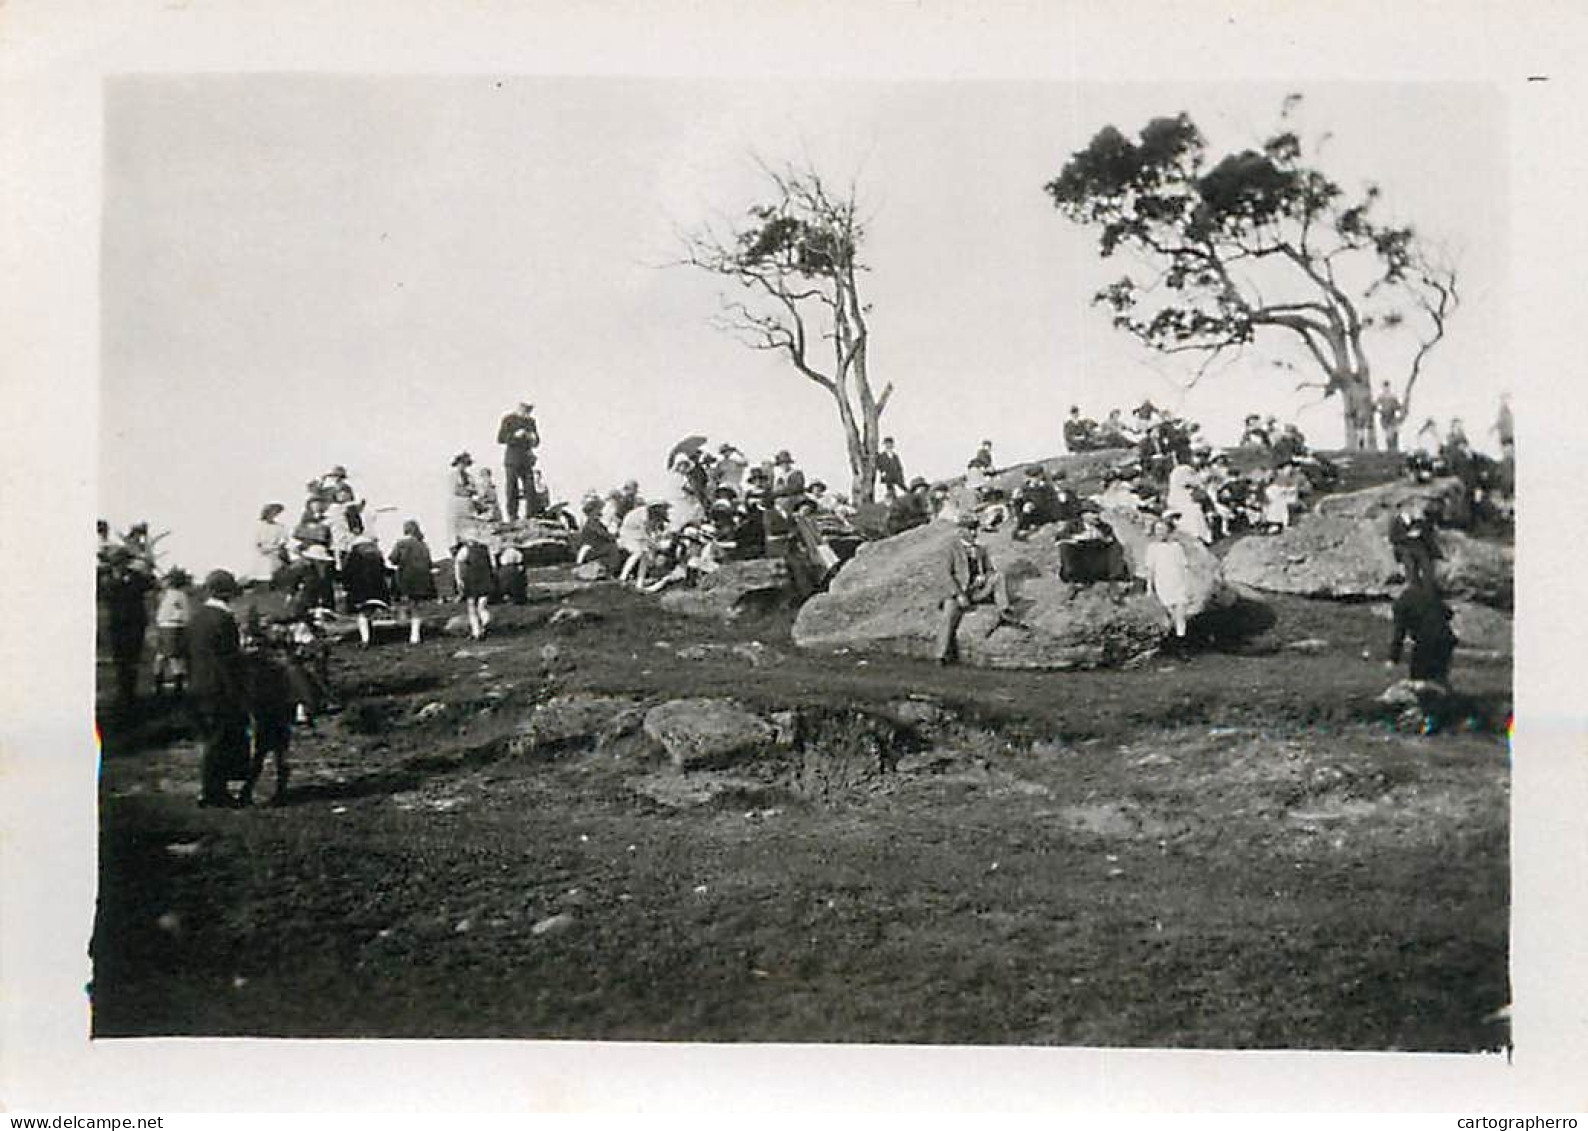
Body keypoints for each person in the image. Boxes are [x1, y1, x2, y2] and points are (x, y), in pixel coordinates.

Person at [186, 570, 252, 808]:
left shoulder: (197, 616)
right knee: (220, 740)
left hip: (198, 683)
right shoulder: (224, 619)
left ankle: (213, 789)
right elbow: (230, 659)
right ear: (227, 594)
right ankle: (213, 792)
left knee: (210, 738)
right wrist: (238, 690)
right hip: (220, 686)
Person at [935, 513, 1018, 665]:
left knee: (998, 576)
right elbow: (946, 575)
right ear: (961, 531)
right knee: (949, 616)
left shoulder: (981, 550)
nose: (973, 533)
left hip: (976, 590)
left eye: (975, 530)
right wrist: (959, 594)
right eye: (970, 530)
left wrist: (984, 577)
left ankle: (1004, 610)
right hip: (958, 592)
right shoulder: (951, 549)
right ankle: (941, 655)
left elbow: (990, 570)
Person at [101, 546, 155, 712]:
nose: (119, 565)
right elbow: (106, 594)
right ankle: (122, 694)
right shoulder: (104, 578)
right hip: (117, 624)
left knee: (132, 660)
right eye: (116, 562)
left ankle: (129, 694)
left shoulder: (136, 576)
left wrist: (146, 563)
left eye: (122, 561)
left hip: (134, 624)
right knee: (120, 661)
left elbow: (150, 583)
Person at [1387, 580, 1458, 687]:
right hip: (1446, 638)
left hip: (1426, 642)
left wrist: (1393, 659)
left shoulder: (1400, 604)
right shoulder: (1425, 593)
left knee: (1418, 680)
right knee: (1439, 679)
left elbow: (1399, 633)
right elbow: (1449, 613)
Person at [1057, 507, 1131, 601]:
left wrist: (1102, 539)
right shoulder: (1073, 526)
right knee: (1065, 546)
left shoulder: (1105, 527)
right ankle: (1075, 581)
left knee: (1116, 547)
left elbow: (1113, 541)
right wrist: (1079, 537)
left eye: (1097, 513)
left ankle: (1115, 581)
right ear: (1083, 515)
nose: (1096, 516)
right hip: (1081, 563)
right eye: (1092, 513)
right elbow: (1061, 539)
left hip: (1099, 563)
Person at [1144, 517, 1195, 648]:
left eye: (1162, 529)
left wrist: (1188, 584)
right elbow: (1150, 569)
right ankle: (1169, 641)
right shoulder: (1152, 548)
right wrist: (1149, 587)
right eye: (1157, 529)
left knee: (1180, 615)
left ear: (1169, 531)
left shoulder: (1177, 547)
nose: (1159, 532)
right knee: (1169, 613)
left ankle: (1181, 645)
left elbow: (1184, 567)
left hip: (1178, 582)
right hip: (1163, 583)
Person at [388, 520, 437, 645]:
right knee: (417, 607)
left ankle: (406, 631)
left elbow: (393, 559)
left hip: (406, 578)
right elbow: (429, 562)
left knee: (406, 604)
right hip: (422, 579)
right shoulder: (423, 545)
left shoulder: (401, 543)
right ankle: (415, 634)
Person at [341, 534, 391, 648]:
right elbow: (383, 571)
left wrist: (346, 586)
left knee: (362, 615)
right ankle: (370, 635)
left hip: (360, 590)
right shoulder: (377, 554)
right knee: (369, 613)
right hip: (377, 590)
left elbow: (348, 572)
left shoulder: (354, 555)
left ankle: (365, 639)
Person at [497, 400, 541, 520]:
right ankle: (513, 515)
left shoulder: (531, 422)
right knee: (512, 488)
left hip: (526, 459)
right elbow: (500, 438)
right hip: (512, 459)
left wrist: (533, 438)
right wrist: (515, 436)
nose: (528, 412)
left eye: (530, 409)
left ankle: (531, 514)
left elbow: (537, 441)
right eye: (526, 408)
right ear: (520, 407)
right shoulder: (508, 419)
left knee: (530, 487)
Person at [151, 568, 192, 697]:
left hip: (173, 627)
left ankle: (177, 687)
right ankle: (159, 684)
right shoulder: (165, 594)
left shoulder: (178, 595)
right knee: (161, 656)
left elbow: (185, 614)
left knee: (173, 657)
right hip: (164, 626)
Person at [1389, 501, 1441, 588]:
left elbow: (1427, 533)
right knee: (1410, 566)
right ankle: (1414, 588)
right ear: (1401, 509)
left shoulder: (1417, 521)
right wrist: (1408, 535)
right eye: (1407, 507)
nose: (1410, 509)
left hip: (1418, 548)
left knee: (1427, 564)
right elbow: (1393, 538)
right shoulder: (1395, 522)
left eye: (1411, 507)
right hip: (1404, 548)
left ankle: (1428, 587)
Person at [453, 540, 495, 640]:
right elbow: (493, 565)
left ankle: (476, 632)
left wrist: (459, 580)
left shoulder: (465, 550)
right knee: (482, 605)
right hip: (485, 580)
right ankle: (485, 619)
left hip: (471, 581)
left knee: (471, 608)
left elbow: (458, 565)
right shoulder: (486, 549)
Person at [1165, 462, 1213, 545]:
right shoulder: (1183, 470)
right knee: (1193, 513)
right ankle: (1199, 536)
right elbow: (1194, 482)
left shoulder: (1179, 472)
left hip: (1180, 499)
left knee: (1194, 512)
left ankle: (1199, 536)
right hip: (1180, 500)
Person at [253, 503, 290, 585]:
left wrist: (278, 548)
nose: (274, 514)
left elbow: (283, 541)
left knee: (274, 564)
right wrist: (263, 549)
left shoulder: (280, 527)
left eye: (276, 512)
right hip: (261, 552)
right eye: (272, 512)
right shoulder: (259, 526)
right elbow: (257, 542)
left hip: (275, 553)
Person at [447, 451, 477, 547]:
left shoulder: (470, 477)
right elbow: (455, 490)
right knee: (457, 529)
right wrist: (467, 490)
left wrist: (469, 490)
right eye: (461, 463)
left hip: (468, 505)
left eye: (465, 464)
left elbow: (475, 489)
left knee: (469, 528)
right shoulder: (453, 476)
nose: (463, 466)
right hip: (458, 505)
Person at [1375, 382, 1404, 452]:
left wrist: (1397, 410)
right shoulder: (1381, 397)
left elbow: (1398, 407)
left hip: (1392, 417)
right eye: (1384, 387)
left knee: (1392, 433)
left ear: (1389, 387)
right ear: (1383, 388)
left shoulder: (1393, 397)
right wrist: (1380, 410)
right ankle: (1389, 448)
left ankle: (1392, 449)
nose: (1386, 389)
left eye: (1387, 387)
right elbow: (1376, 406)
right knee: (1387, 434)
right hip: (1384, 418)